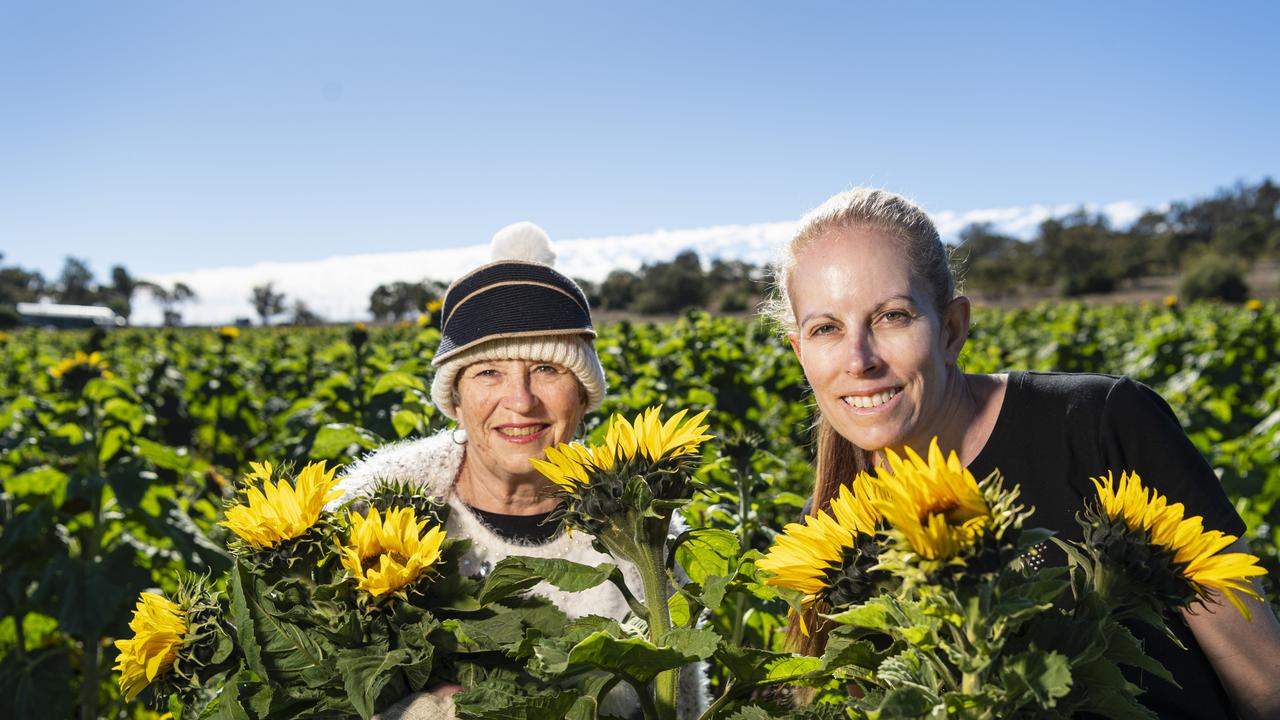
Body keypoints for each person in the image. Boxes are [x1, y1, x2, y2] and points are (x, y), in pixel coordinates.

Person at [765, 188, 1280, 720]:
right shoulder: (835, 537)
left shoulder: (1100, 423)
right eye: (826, 328)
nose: (859, 359)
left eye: (893, 317)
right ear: (801, 353)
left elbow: (1265, 685)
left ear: (951, 328)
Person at [332, 222, 705, 720]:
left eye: (547, 370)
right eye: (490, 372)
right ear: (456, 398)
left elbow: (679, 705)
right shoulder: (368, 513)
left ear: (583, 396)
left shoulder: (642, 531)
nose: (521, 400)